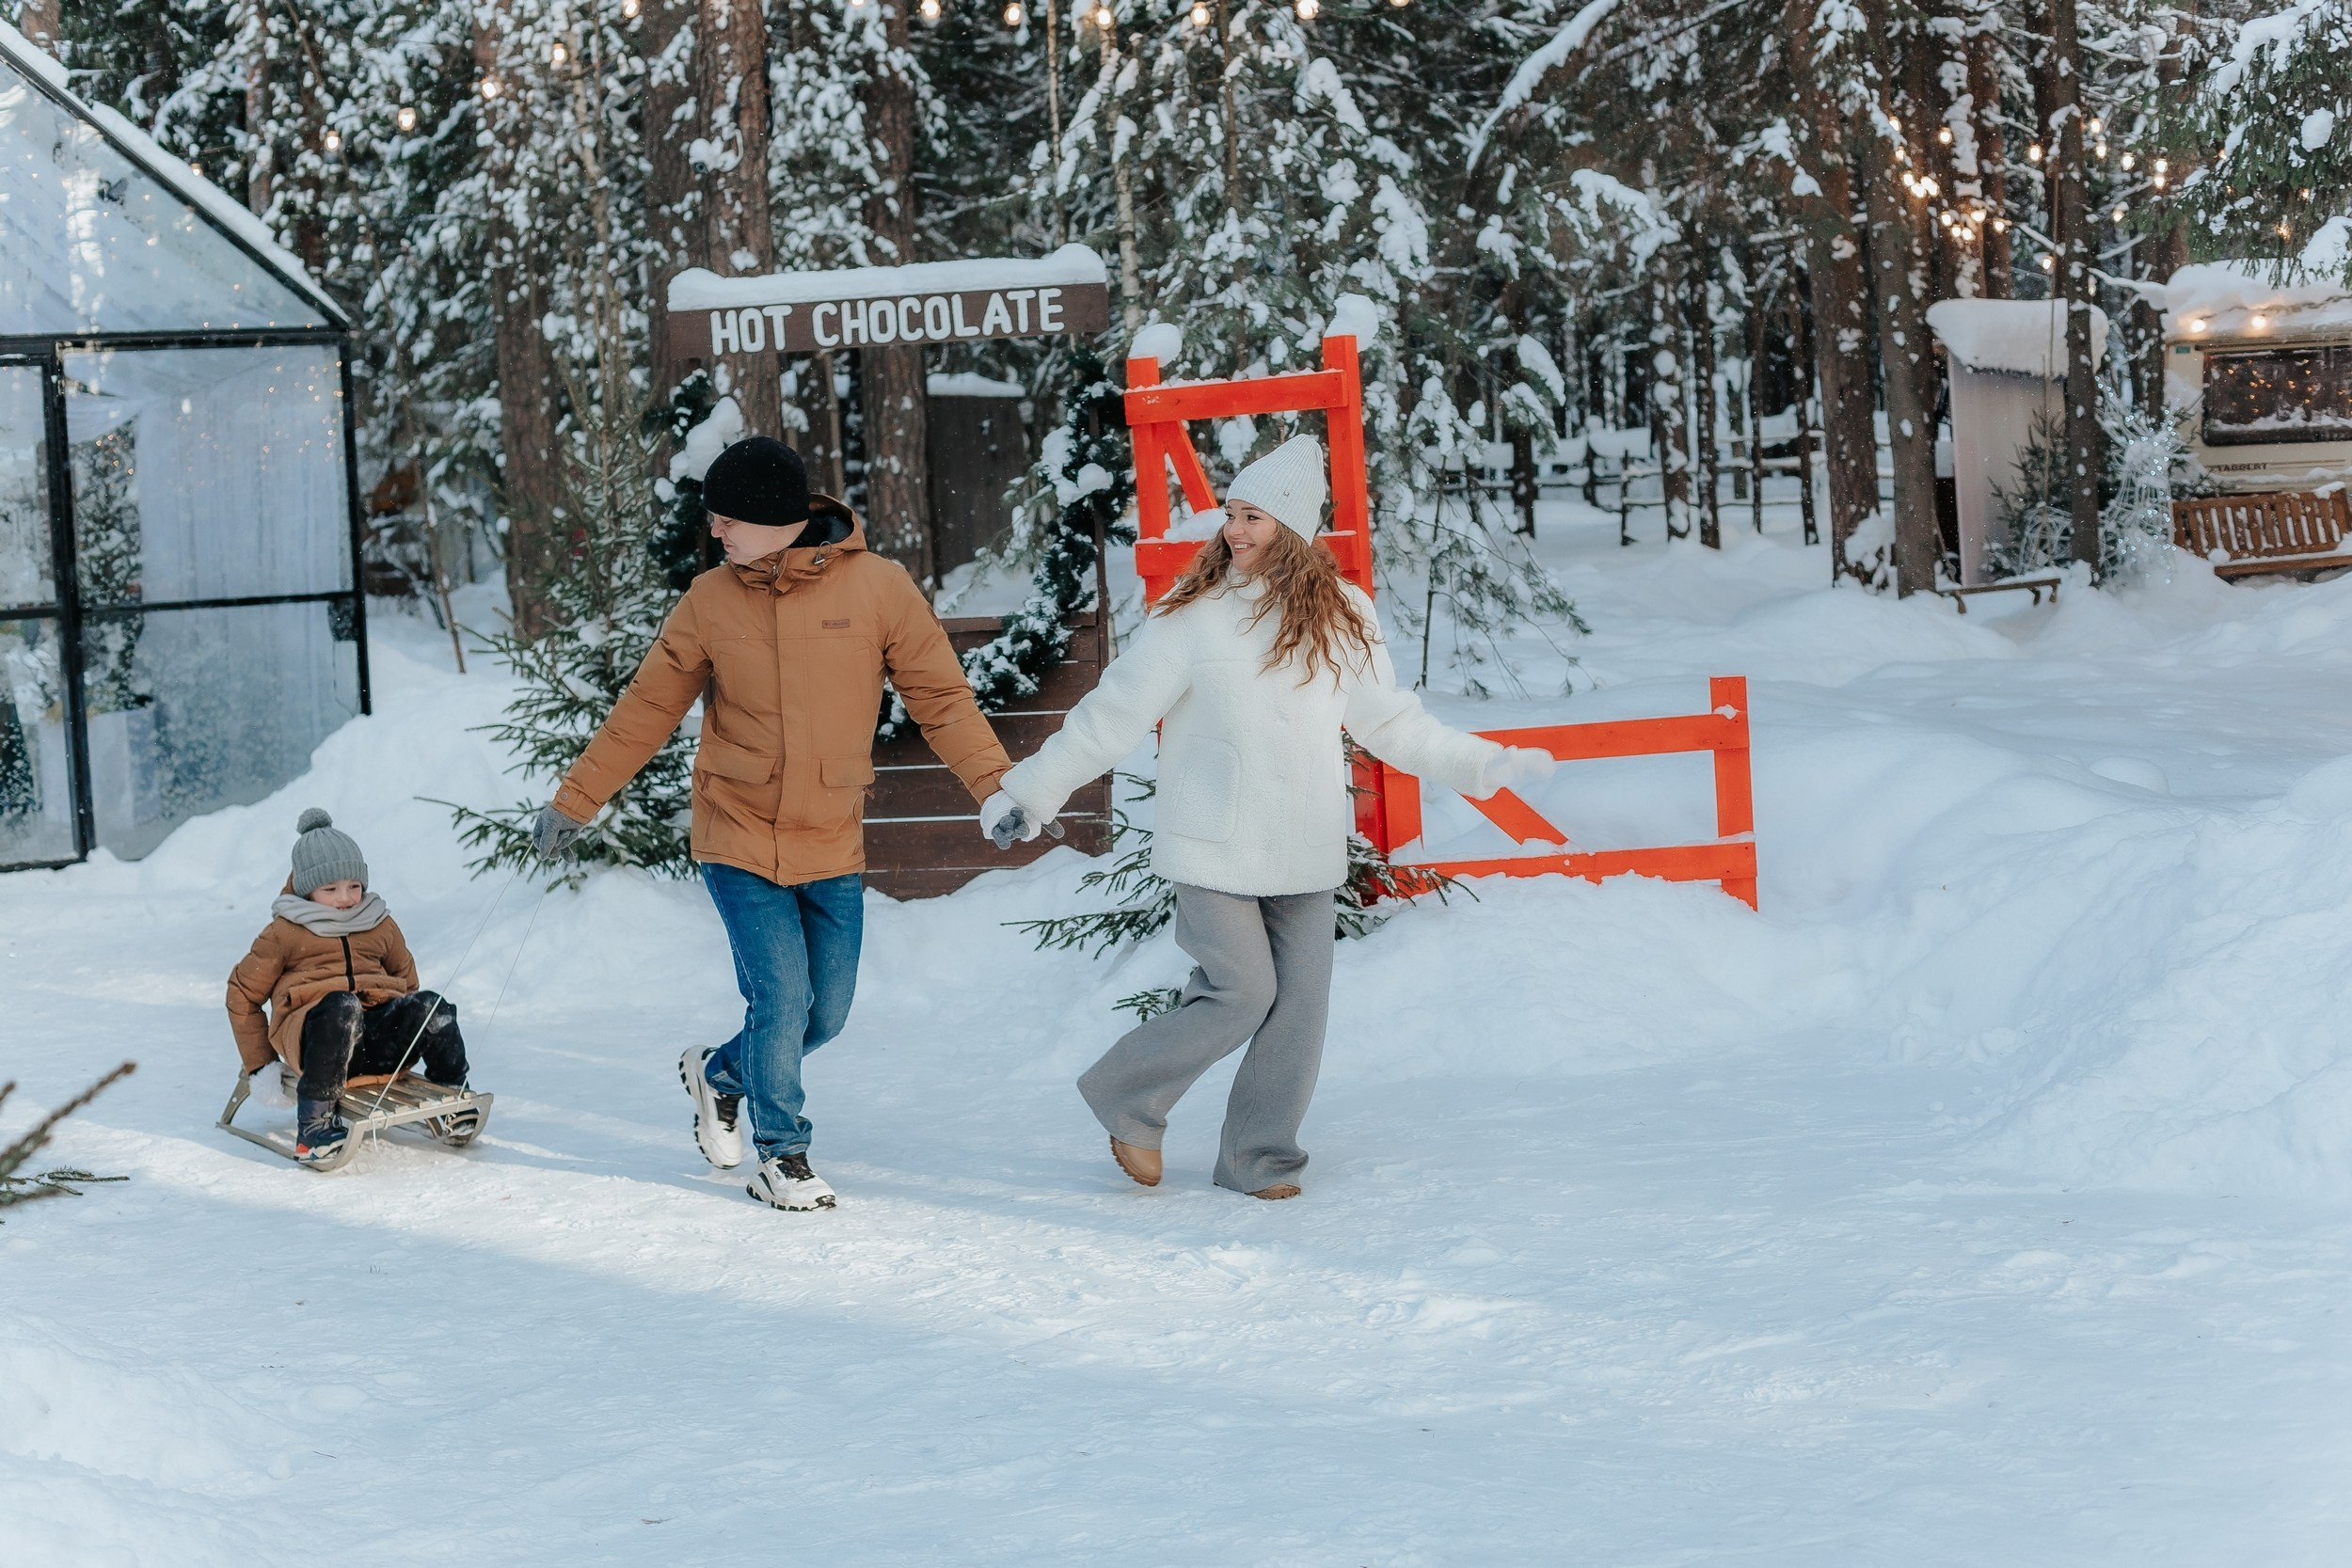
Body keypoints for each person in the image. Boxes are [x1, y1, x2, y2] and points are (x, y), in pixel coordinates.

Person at [981, 435, 1555, 1199]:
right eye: (1231, 514)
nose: (1235, 531)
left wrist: (1481, 764)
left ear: (1294, 525)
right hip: (1211, 842)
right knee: (1242, 990)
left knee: (1301, 1010)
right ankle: (1128, 1095)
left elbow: (1393, 726)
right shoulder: (1194, 617)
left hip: (1305, 845)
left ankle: (1259, 1156)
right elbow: (1112, 715)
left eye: (1254, 516)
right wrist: (1029, 791)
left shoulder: (1344, 615)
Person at [532, 436, 1012, 1212]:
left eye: (727, 519)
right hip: (738, 828)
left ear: (774, 518)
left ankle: (721, 1074)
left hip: (829, 833)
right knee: (782, 1000)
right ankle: (783, 1153)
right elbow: (648, 708)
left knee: (828, 1011)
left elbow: (943, 699)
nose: (715, 533)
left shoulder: (880, 588)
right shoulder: (709, 600)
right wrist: (576, 798)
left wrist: (995, 786)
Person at [225, 808, 473, 1166]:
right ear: (307, 889)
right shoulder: (284, 933)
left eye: (354, 886)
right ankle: (314, 1125)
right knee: (341, 1007)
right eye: (331, 888)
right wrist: (262, 1065)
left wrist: (412, 1023)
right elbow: (242, 995)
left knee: (431, 1006)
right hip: (320, 1040)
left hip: (377, 1043)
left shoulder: (379, 923)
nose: (346, 898)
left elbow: (407, 982)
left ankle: (452, 1095)